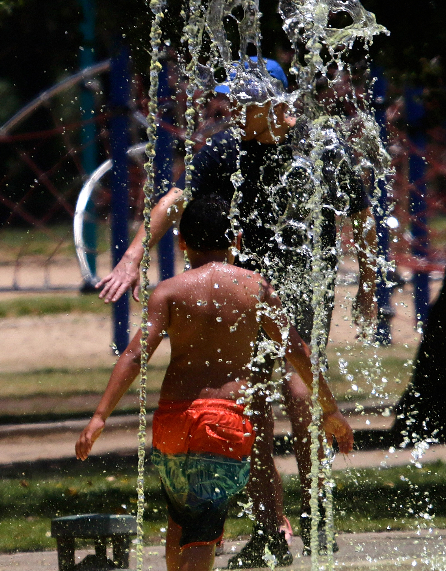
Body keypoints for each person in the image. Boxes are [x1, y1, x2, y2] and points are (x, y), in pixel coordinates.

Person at [96, 57, 376, 566]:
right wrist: (134, 255)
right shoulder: (227, 149)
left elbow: (361, 216)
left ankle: (315, 516)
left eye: (244, 103)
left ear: (276, 100)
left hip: (303, 283)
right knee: (253, 408)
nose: (234, 112)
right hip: (245, 291)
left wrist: (370, 285)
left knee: (298, 388)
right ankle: (272, 529)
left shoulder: (322, 148)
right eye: (233, 102)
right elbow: (178, 198)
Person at [77, 194, 354, 571]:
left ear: (182, 243)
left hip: (173, 423)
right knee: (203, 532)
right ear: (236, 241)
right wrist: (331, 410)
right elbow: (298, 352)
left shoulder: (169, 292)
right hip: (220, 426)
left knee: (181, 520)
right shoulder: (255, 288)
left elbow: (133, 355)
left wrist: (99, 418)